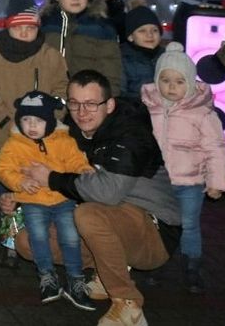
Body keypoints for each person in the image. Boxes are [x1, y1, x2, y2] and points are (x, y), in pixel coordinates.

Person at [12, 70, 181, 326]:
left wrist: (52, 178)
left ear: (109, 104)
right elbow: (45, 174)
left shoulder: (131, 135)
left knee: (88, 213)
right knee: (27, 242)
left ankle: (129, 305)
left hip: (154, 231)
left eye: (91, 104)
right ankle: (105, 274)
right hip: (108, 225)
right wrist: (17, 194)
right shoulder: (70, 135)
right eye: (75, 103)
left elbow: (107, 193)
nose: (82, 112)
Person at [0, 0, 69, 267]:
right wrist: (7, 122)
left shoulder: (51, 56)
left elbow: (62, 90)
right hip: (4, 138)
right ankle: (10, 242)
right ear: (9, 27)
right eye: (19, 27)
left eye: (30, 27)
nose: (25, 33)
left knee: (36, 189)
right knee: (8, 192)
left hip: (42, 140)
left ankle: (38, 240)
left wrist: (50, 120)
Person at [140, 42, 225, 294]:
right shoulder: (148, 108)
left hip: (190, 182)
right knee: (158, 224)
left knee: (189, 224)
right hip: (158, 181)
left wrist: (217, 182)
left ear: (190, 82)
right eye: (165, 80)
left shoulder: (201, 113)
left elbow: (216, 148)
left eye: (179, 81)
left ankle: (192, 265)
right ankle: (156, 262)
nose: (171, 87)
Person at [0, 91, 95, 311]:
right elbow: (2, 169)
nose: (31, 126)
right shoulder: (15, 143)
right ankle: (47, 276)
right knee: (37, 236)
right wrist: (20, 181)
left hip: (63, 199)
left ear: (49, 122)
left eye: (38, 121)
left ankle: (75, 279)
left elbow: (77, 162)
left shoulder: (64, 141)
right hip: (32, 201)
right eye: (26, 120)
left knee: (70, 236)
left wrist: (86, 172)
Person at [40, 0, 123, 97]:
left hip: (89, 100)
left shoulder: (102, 27)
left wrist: (109, 99)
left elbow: (111, 68)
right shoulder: (44, 25)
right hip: (50, 99)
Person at [119, 5, 164, 104]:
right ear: (131, 37)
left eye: (154, 30)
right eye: (142, 31)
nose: (150, 35)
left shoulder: (168, 57)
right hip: (135, 112)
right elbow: (120, 94)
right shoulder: (123, 59)